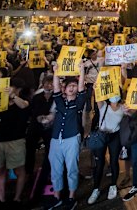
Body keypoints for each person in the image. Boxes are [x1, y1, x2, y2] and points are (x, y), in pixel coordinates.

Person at [46, 62, 86, 210]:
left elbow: (82, 88)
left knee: (72, 169)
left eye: (74, 86)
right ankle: (56, 196)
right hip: (56, 139)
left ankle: (71, 197)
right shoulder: (59, 101)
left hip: (71, 139)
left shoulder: (79, 102)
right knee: (55, 169)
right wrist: (55, 72)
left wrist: (81, 71)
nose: (72, 87)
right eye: (69, 85)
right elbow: (56, 88)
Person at [0, 77, 30, 207]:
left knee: (20, 170)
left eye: (11, 86)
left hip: (16, 140)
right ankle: (1, 200)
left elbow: (23, 105)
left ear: (18, 89)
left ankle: (17, 198)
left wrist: (12, 96)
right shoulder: (0, 102)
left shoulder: (23, 100)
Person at [87, 94, 126, 204]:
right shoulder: (103, 105)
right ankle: (96, 189)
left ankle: (113, 185)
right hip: (101, 136)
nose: (115, 96)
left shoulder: (123, 107)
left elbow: (131, 114)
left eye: (117, 94)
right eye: (113, 94)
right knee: (99, 163)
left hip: (115, 136)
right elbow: (98, 96)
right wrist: (96, 88)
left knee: (114, 162)